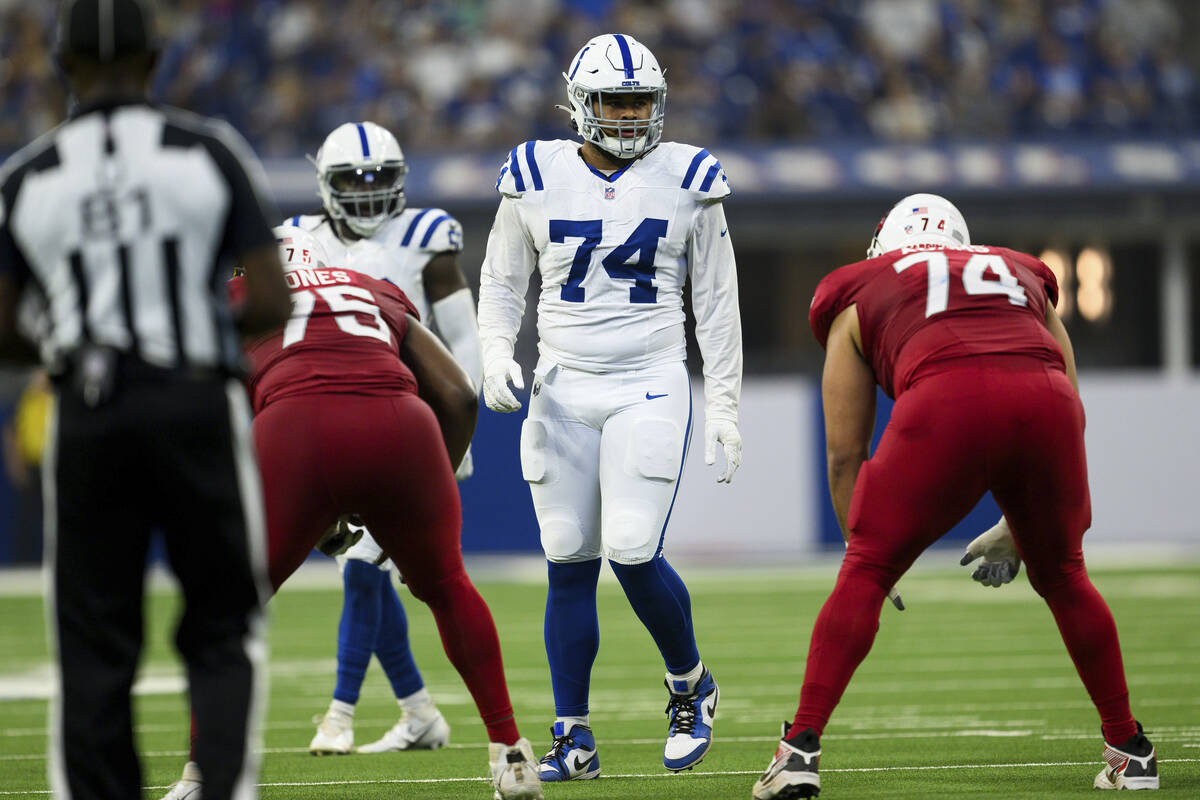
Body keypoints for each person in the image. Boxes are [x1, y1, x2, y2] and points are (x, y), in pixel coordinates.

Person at [751, 193, 1159, 799]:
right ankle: (1131, 751)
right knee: (1067, 575)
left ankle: (799, 751)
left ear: (885, 246)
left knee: (863, 568)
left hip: (945, 402)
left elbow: (844, 453)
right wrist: (1022, 524)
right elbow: (1068, 398)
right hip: (1045, 405)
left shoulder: (858, 287)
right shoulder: (1022, 271)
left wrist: (866, 551)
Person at [0, 2, 293, 798]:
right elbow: (270, 300)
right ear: (156, 59)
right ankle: (225, 787)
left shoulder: (26, 173)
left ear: (61, 63)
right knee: (221, 625)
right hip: (196, 399)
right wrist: (193, 328)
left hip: (90, 409)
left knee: (95, 639)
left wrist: (69, 342)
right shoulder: (206, 151)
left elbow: (2, 330)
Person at [166, 227, 542, 800]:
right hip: (402, 425)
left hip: (295, 426)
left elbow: (211, 423)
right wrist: (423, 486)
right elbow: (460, 394)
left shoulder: (234, 301)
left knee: (226, 607)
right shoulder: (370, 287)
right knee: (447, 587)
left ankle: (202, 774)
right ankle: (511, 751)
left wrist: (309, 503)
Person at [477, 33, 743, 781]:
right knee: (567, 556)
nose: (628, 116)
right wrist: (497, 353)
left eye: (639, 101)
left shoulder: (689, 175)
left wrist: (722, 404)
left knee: (630, 548)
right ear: (580, 104)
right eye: (614, 101)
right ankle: (573, 737)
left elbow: (717, 305)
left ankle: (691, 686)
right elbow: (502, 283)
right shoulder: (534, 172)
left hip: (649, 379)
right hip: (562, 384)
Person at [285, 120, 479, 756]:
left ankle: (339, 714)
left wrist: (461, 428)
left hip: (408, 425)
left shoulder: (428, 236)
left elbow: (463, 339)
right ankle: (419, 714)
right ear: (325, 184)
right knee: (366, 569)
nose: (367, 193)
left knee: (365, 567)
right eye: (353, 181)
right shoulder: (292, 240)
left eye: (380, 180)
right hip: (328, 425)